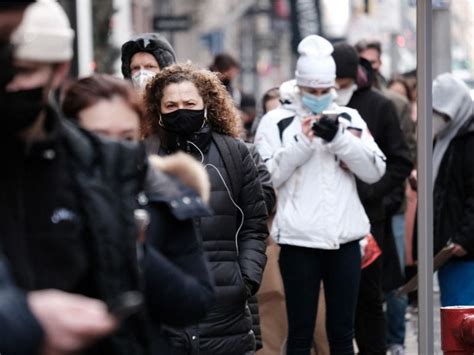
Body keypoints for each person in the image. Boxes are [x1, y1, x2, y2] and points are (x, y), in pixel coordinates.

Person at [1, 2, 215, 354]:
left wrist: (128, 245)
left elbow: (193, 299)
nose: (9, 79)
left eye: (23, 69)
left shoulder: (109, 169)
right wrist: (24, 322)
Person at [255, 35, 386, 355]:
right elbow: (267, 176)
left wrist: (340, 139)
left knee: (342, 332)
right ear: (299, 86)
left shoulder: (349, 118)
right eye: (310, 91)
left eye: (324, 90)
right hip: (298, 241)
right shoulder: (275, 122)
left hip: (345, 239)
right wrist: (303, 141)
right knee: (299, 331)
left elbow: (375, 169)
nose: (317, 96)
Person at [143, 63, 269, 354]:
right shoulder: (144, 155)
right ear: (158, 110)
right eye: (171, 104)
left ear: (206, 105)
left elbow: (254, 222)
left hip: (226, 306)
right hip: (166, 301)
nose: (180, 110)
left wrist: (246, 279)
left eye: (189, 103)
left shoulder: (234, 153)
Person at [332, 42, 412, 355]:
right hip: (327, 220)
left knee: (369, 300)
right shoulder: (310, 106)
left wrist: (376, 195)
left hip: (369, 221)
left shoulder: (379, 105)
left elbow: (400, 161)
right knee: (333, 304)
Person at [431, 73, 474, 306]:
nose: (438, 119)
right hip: (448, 250)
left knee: (463, 320)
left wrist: (464, 239)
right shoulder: (444, 139)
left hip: (464, 252)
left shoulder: (467, 141)